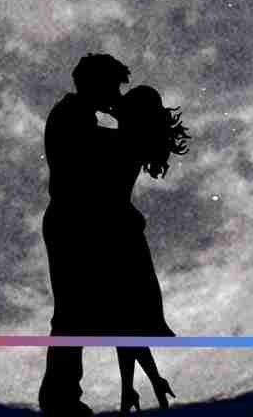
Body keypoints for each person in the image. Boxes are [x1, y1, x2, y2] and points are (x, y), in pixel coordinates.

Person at [38, 52, 131, 416]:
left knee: (74, 312)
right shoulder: (72, 116)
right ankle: (59, 398)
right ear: (97, 84)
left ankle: (62, 395)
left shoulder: (77, 115)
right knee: (71, 313)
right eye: (113, 88)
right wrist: (131, 128)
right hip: (70, 223)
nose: (116, 96)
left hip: (73, 221)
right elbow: (98, 154)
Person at [103, 84, 191, 412]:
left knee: (123, 319)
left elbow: (100, 132)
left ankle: (137, 386)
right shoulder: (132, 142)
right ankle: (140, 385)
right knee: (125, 319)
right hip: (122, 235)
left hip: (117, 237)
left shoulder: (120, 142)